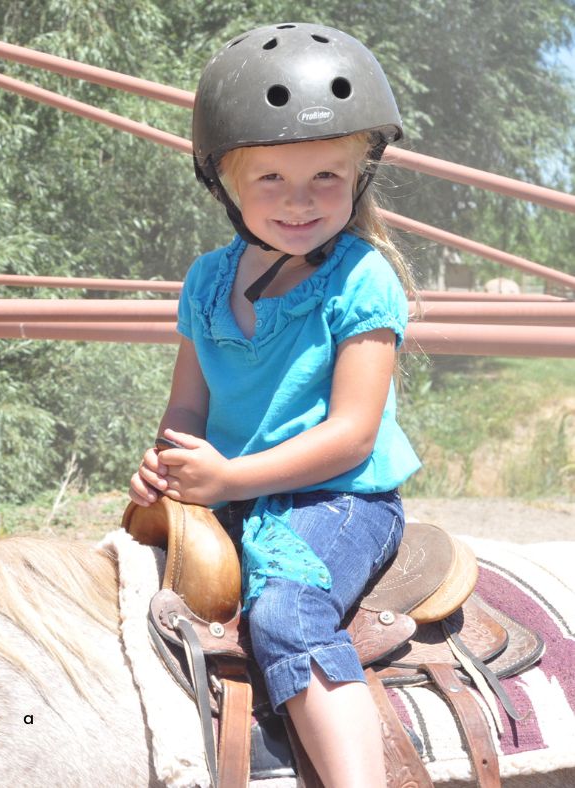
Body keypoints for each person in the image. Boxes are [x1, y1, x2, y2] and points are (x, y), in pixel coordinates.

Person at [128, 22, 422, 788]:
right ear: (224, 183)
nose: (300, 202)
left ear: (360, 175)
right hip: (233, 488)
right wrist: (170, 468)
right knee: (120, 585)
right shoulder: (204, 283)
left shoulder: (362, 282)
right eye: (271, 181)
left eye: (326, 176)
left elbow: (352, 435)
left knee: (286, 614)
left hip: (339, 498)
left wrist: (228, 481)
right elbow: (186, 410)